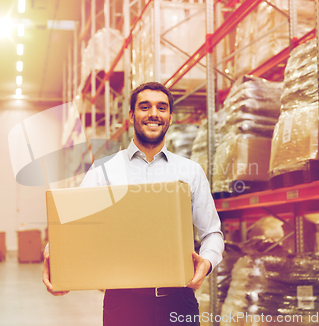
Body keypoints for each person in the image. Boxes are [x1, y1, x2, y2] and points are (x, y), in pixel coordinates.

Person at [43, 82, 224, 325]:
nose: (153, 114)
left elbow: (212, 232)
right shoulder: (103, 170)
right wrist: (54, 259)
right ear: (131, 116)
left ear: (170, 117)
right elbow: (71, 227)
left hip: (178, 301)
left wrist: (207, 263)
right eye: (144, 107)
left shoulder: (190, 171)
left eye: (162, 108)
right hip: (123, 303)